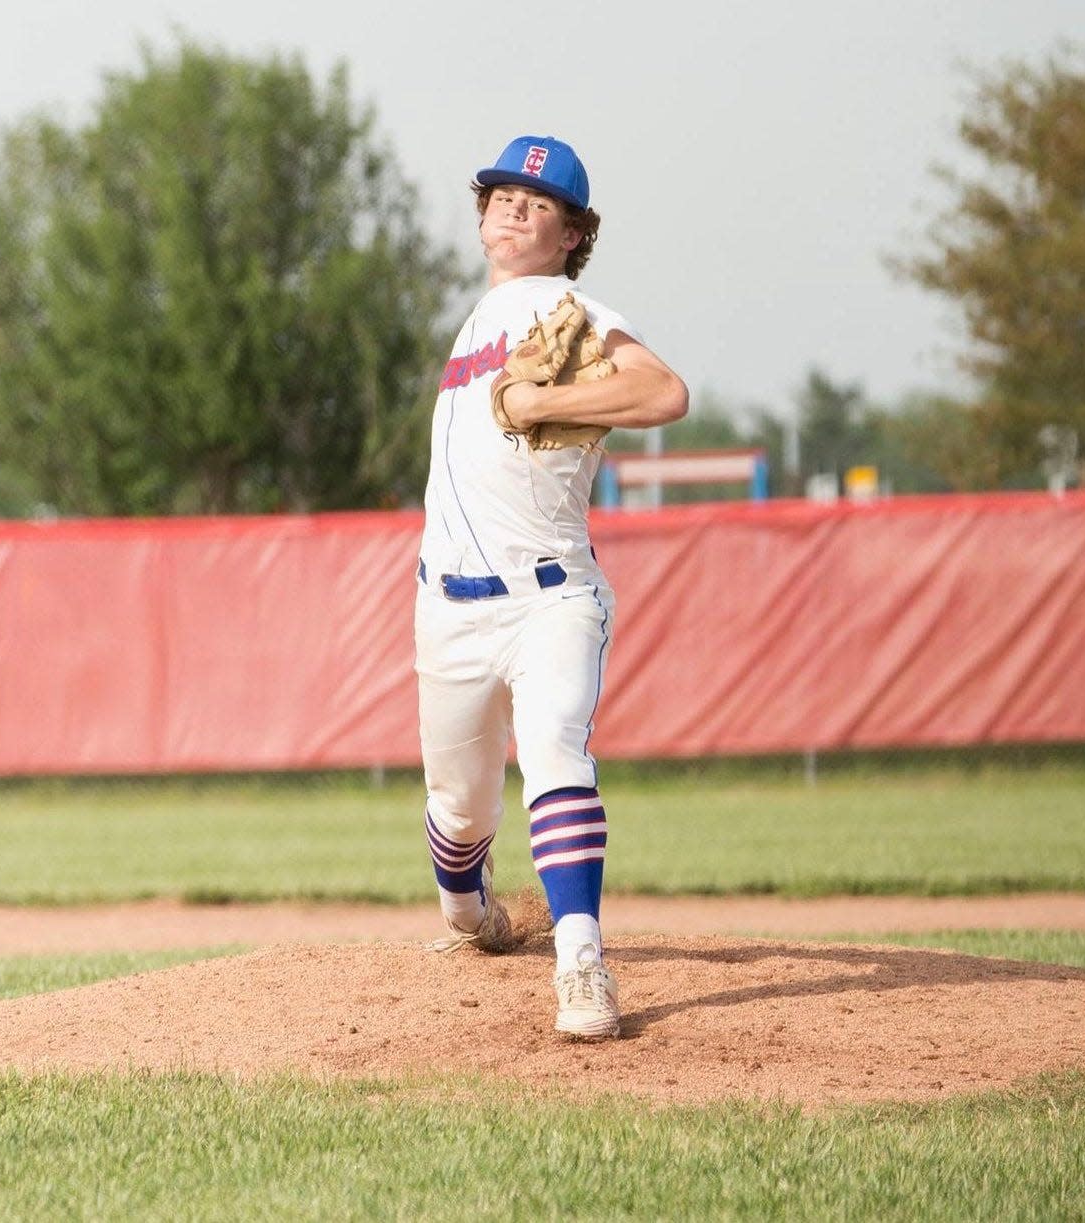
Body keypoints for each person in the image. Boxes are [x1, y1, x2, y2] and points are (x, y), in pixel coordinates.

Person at [414, 134, 688, 1040]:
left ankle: (581, 962)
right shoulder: (477, 320)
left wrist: (545, 402)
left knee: (556, 750)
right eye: (501, 195)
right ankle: (473, 912)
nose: (513, 209)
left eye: (538, 205)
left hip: (550, 596)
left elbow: (663, 392)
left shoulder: (560, 305)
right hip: (446, 608)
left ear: (573, 234)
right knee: (459, 815)